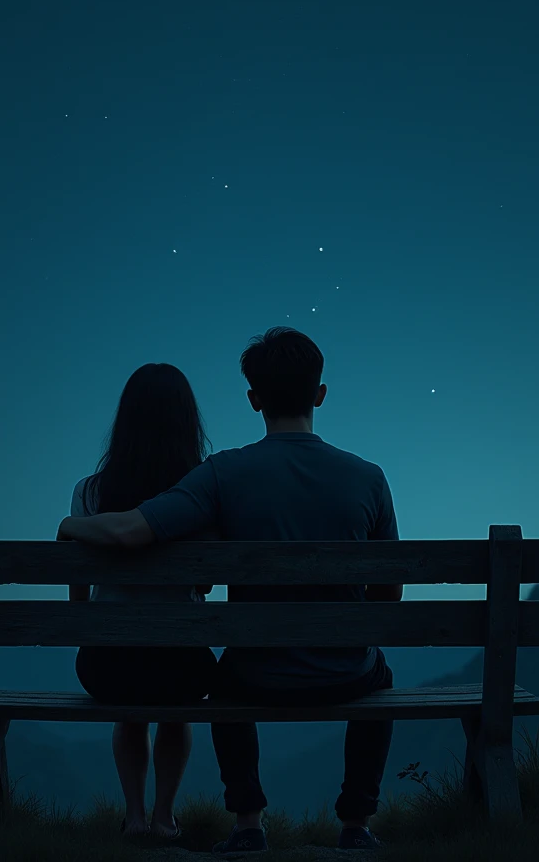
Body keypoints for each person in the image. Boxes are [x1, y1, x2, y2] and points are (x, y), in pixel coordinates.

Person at [58, 327, 402, 854]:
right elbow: (388, 598)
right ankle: (356, 823)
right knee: (383, 676)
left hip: (257, 674)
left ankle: (247, 822)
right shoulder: (370, 478)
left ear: (253, 399)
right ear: (320, 393)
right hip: (348, 673)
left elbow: (133, 529)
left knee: (222, 681)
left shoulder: (224, 474)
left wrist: (73, 525)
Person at [65, 363, 218, 838]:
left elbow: (77, 600)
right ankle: (165, 817)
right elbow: (209, 582)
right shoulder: (202, 494)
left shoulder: (89, 494)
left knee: (130, 710)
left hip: (106, 667)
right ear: (187, 422)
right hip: (183, 667)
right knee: (176, 708)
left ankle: (134, 817)